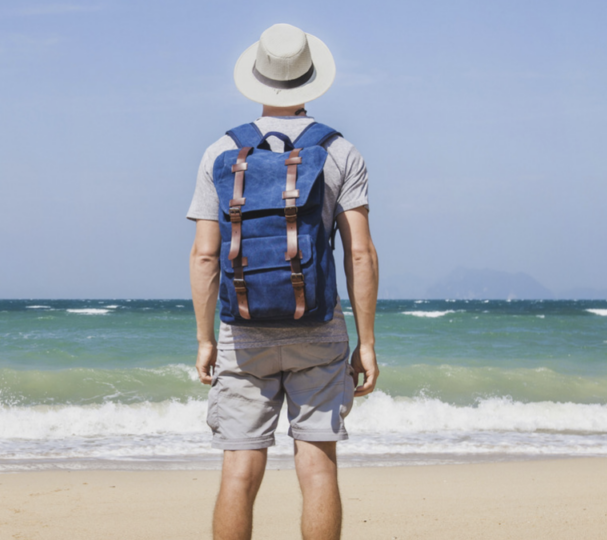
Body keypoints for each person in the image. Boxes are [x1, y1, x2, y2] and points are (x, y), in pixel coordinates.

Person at [187, 23, 379, 540]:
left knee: (238, 471)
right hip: (318, 326)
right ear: (312, 78)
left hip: (243, 330)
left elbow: (206, 257)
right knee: (317, 467)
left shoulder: (220, 152)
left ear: (256, 77)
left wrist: (206, 339)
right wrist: (367, 343)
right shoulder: (340, 151)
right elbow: (358, 252)